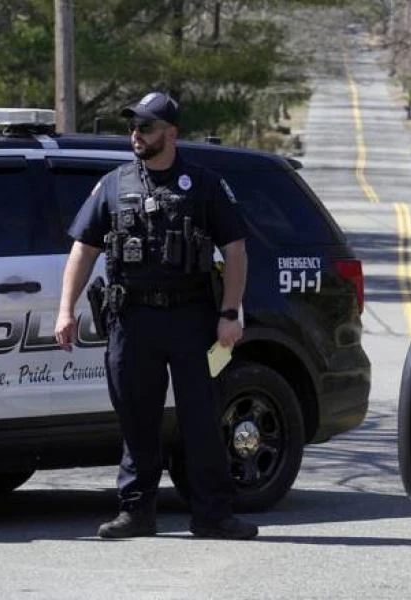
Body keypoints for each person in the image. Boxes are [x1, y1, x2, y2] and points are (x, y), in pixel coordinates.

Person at [54, 91, 258, 540]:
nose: (136, 134)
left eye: (145, 127)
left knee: (202, 418)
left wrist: (230, 313)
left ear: (171, 133)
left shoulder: (203, 184)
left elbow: (236, 250)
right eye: (133, 127)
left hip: (193, 319)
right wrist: (65, 309)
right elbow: (83, 249)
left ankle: (213, 515)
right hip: (132, 321)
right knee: (136, 418)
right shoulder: (114, 184)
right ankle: (136, 511)